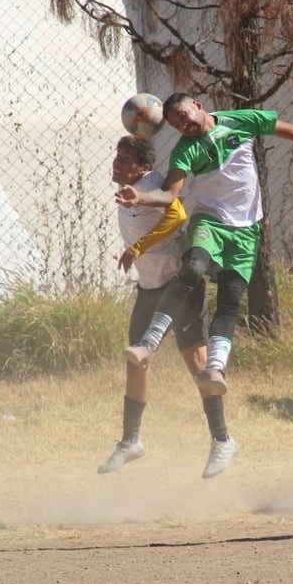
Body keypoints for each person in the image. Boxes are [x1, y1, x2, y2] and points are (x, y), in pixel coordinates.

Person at [115, 92, 293, 478]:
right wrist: (143, 196)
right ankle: (149, 345)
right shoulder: (185, 151)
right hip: (210, 223)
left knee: (232, 300)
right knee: (192, 268)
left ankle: (217, 375)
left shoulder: (244, 120)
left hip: (246, 231)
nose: (182, 124)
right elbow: (170, 194)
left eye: (184, 115)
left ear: (199, 105)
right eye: (173, 122)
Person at [98, 136, 232, 479]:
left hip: (178, 285)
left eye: (125, 159)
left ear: (144, 167)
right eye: (116, 157)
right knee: (136, 361)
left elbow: (177, 215)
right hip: (149, 287)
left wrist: (138, 247)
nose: (117, 163)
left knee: (198, 364)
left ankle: (221, 440)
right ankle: (131, 441)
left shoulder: (153, 184)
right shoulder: (131, 187)